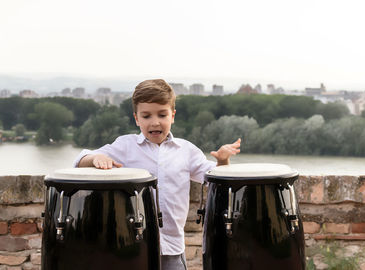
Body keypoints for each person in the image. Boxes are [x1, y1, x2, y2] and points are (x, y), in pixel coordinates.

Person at [73, 79, 241, 270]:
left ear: (173, 116)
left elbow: (214, 179)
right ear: (136, 118)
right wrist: (97, 158)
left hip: (173, 247)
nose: (155, 122)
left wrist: (222, 160)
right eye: (146, 116)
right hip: (134, 246)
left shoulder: (186, 150)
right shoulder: (126, 146)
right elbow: (80, 159)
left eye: (162, 114)